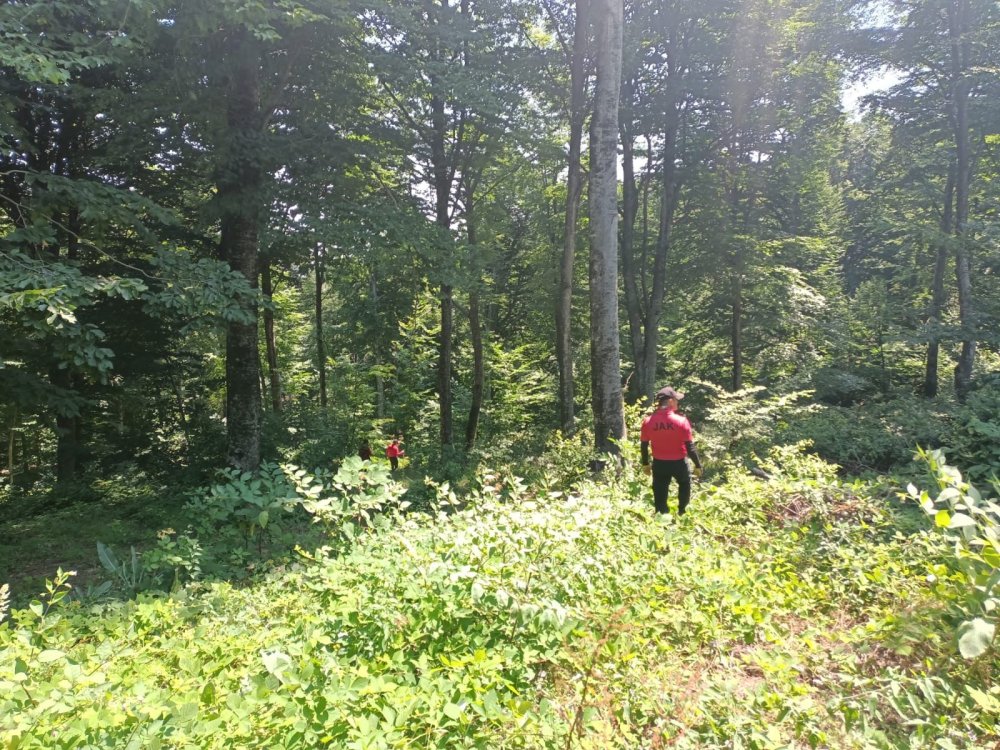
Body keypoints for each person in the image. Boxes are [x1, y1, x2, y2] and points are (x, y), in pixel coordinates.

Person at [640, 386, 704, 515]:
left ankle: (661, 516)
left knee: (659, 489)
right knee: (684, 485)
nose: (677, 402)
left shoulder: (648, 421)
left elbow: (644, 445)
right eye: (676, 400)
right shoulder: (681, 421)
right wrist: (698, 465)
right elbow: (689, 446)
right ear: (670, 401)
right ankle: (682, 512)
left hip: (659, 464)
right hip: (679, 463)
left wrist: (645, 463)